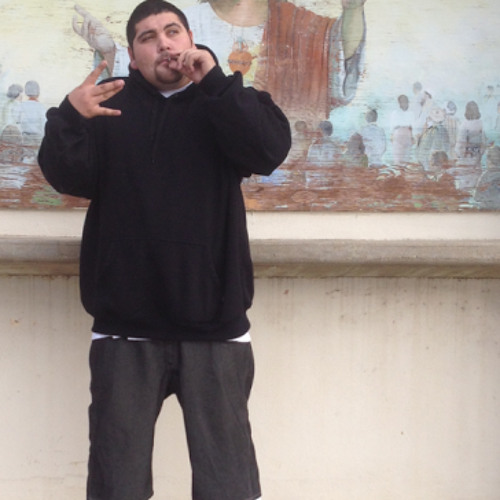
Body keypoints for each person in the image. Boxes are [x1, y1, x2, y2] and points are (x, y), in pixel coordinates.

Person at [38, 1, 291, 499]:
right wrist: (69, 116)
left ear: (190, 39)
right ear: (134, 57)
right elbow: (67, 177)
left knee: (227, 485)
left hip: (215, 328)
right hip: (124, 330)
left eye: (173, 32)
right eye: (149, 37)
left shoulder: (227, 99)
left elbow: (267, 151)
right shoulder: (108, 107)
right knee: (117, 484)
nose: (165, 44)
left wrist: (215, 83)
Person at [73, 0, 367, 125]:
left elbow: (335, 61)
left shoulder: (301, 26)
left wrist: (353, 8)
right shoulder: (181, 24)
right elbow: (146, 74)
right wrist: (109, 51)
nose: (164, 40)